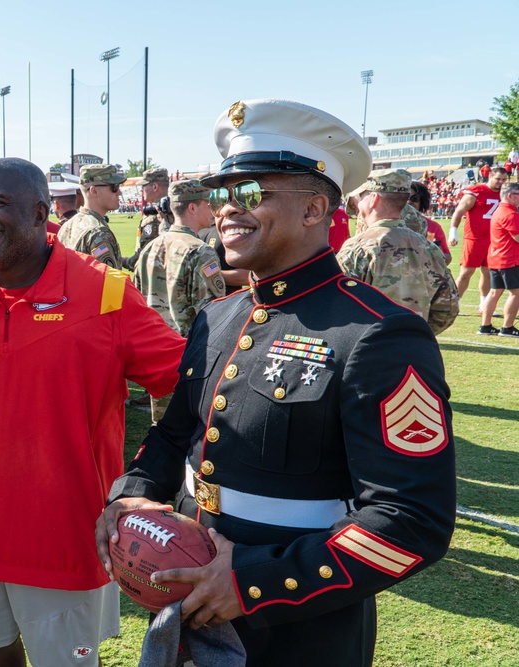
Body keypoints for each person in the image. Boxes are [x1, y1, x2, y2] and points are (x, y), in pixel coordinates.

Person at [97, 99, 455, 667]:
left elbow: (411, 521)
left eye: (251, 194)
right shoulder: (219, 316)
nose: (225, 210)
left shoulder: (380, 334)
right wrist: (132, 493)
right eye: (220, 195)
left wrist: (252, 581)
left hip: (301, 627)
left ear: (315, 208)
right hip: (186, 599)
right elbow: (175, 434)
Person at [0, 158, 186, 667]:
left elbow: (190, 382)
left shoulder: (105, 292)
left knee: (70, 662)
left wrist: (153, 479)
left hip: (68, 538)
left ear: (41, 213)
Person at [134, 178, 225, 422]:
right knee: (193, 432)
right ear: (192, 208)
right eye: (209, 204)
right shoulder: (200, 250)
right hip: (192, 358)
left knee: (162, 430)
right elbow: (213, 315)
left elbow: (136, 303)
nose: (214, 210)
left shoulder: (150, 248)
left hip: (157, 355)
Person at [338, 169, 459, 335]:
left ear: (373, 199)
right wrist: (414, 334)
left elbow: (336, 305)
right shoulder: (430, 249)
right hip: (414, 349)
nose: (355, 204)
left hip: (367, 349)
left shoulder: (358, 247)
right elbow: (448, 307)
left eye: (359, 198)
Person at [449, 166, 508, 311]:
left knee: (488, 273)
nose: (501, 182)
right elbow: (459, 211)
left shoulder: (505, 194)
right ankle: (453, 304)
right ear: (490, 177)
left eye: (504, 180)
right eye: (498, 179)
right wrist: (453, 231)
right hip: (474, 238)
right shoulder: (476, 191)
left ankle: (484, 304)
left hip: (495, 240)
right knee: (465, 273)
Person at [56, 164, 126, 269]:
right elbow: (108, 282)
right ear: (94, 191)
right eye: (114, 187)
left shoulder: (67, 225)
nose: (119, 193)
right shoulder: (98, 231)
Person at [479, 181, 519, 336]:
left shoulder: (499, 211)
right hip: (509, 258)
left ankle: (485, 326)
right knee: (515, 293)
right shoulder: (510, 213)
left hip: (497, 257)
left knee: (495, 292)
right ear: (511, 195)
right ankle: (507, 327)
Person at [125, 167, 173, 270]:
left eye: (144, 186)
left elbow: (143, 257)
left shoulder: (154, 218)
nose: (142, 190)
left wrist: (122, 261)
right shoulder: (176, 210)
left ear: (155, 187)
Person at [407, 180, 452, 263]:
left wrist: (436, 252)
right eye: (405, 198)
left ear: (422, 201)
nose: (409, 202)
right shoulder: (390, 224)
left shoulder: (433, 226)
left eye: (415, 198)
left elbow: (447, 258)